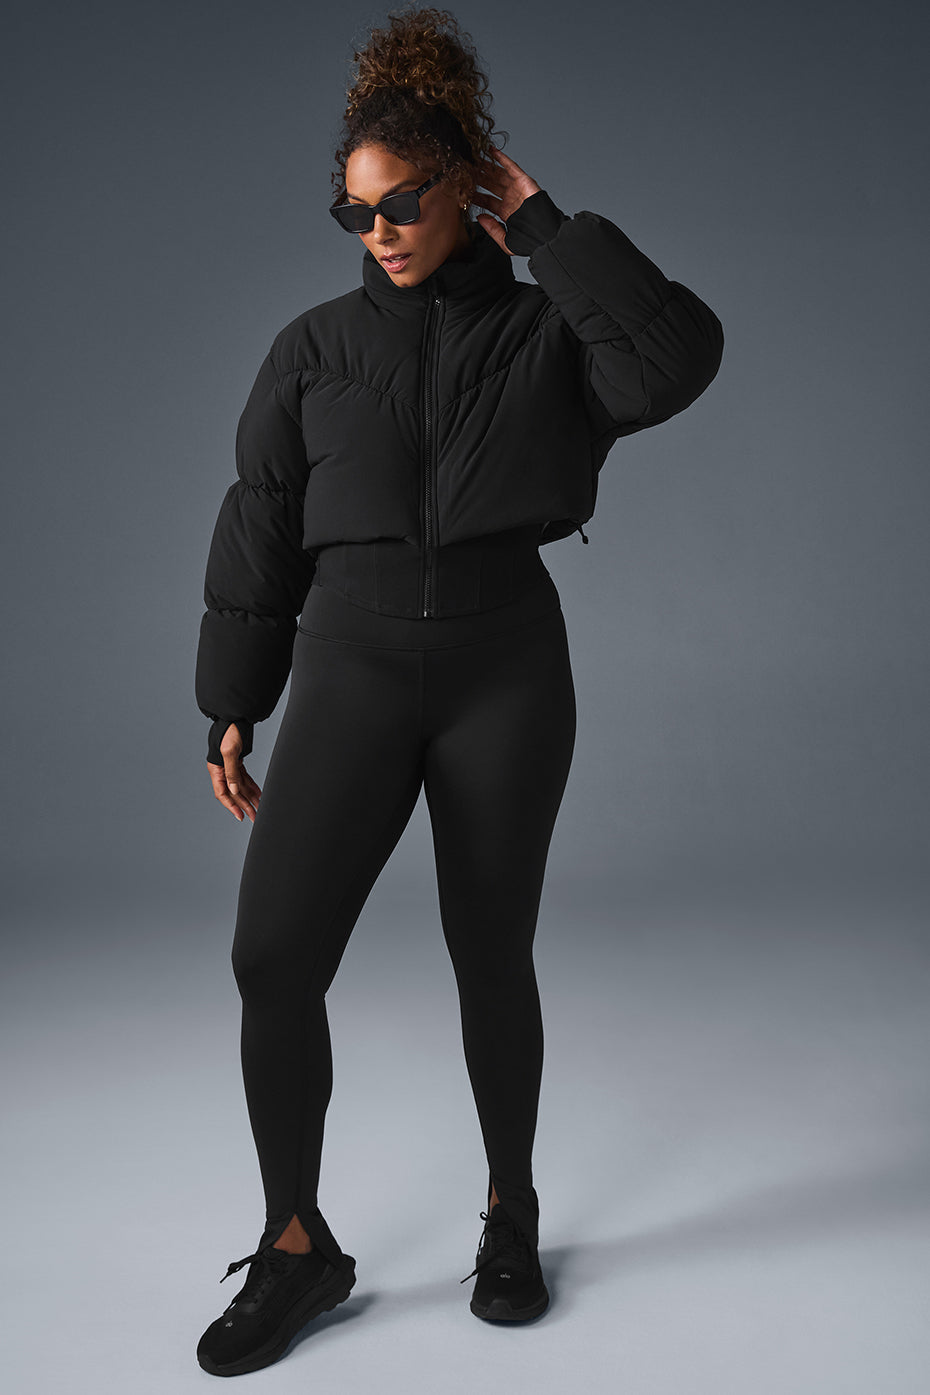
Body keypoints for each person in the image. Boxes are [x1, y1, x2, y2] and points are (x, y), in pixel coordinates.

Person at [193, 4, 723, 1377]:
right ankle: (297, 1248)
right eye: (352, 210)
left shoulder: (552, 336)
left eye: (402, 200)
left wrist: (543, 225)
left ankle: (509, 1212)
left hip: (504, 671)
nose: (375, 230)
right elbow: (260, 522)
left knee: (491, 953)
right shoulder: (312, 349)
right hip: (350, 668)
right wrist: (232, 697)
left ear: (462, 185)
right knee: (273, 958)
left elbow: (675, 360)